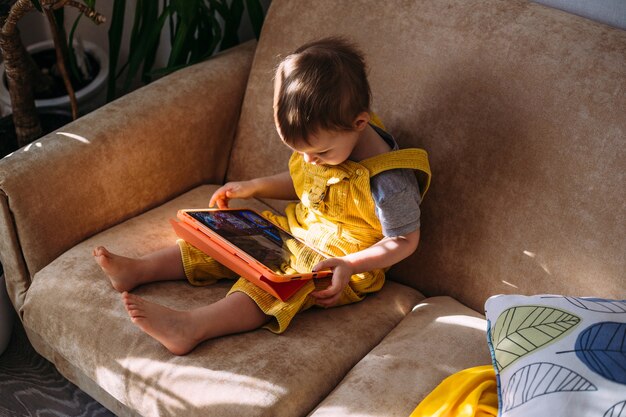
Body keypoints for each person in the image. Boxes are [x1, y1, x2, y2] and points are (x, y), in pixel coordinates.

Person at [93, 37, 431, 355]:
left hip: (335, 262)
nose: (310, 161)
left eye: (321, 153)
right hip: (294, 232)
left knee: (273, 288)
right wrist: (254, 186)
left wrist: (349, 264)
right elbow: (304, 183)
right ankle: (139, 271)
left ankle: (193, 326)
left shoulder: (390, 182)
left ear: (360, 123)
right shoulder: (331, 138)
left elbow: (404, 239)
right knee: (226, 240)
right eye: (302, 153)